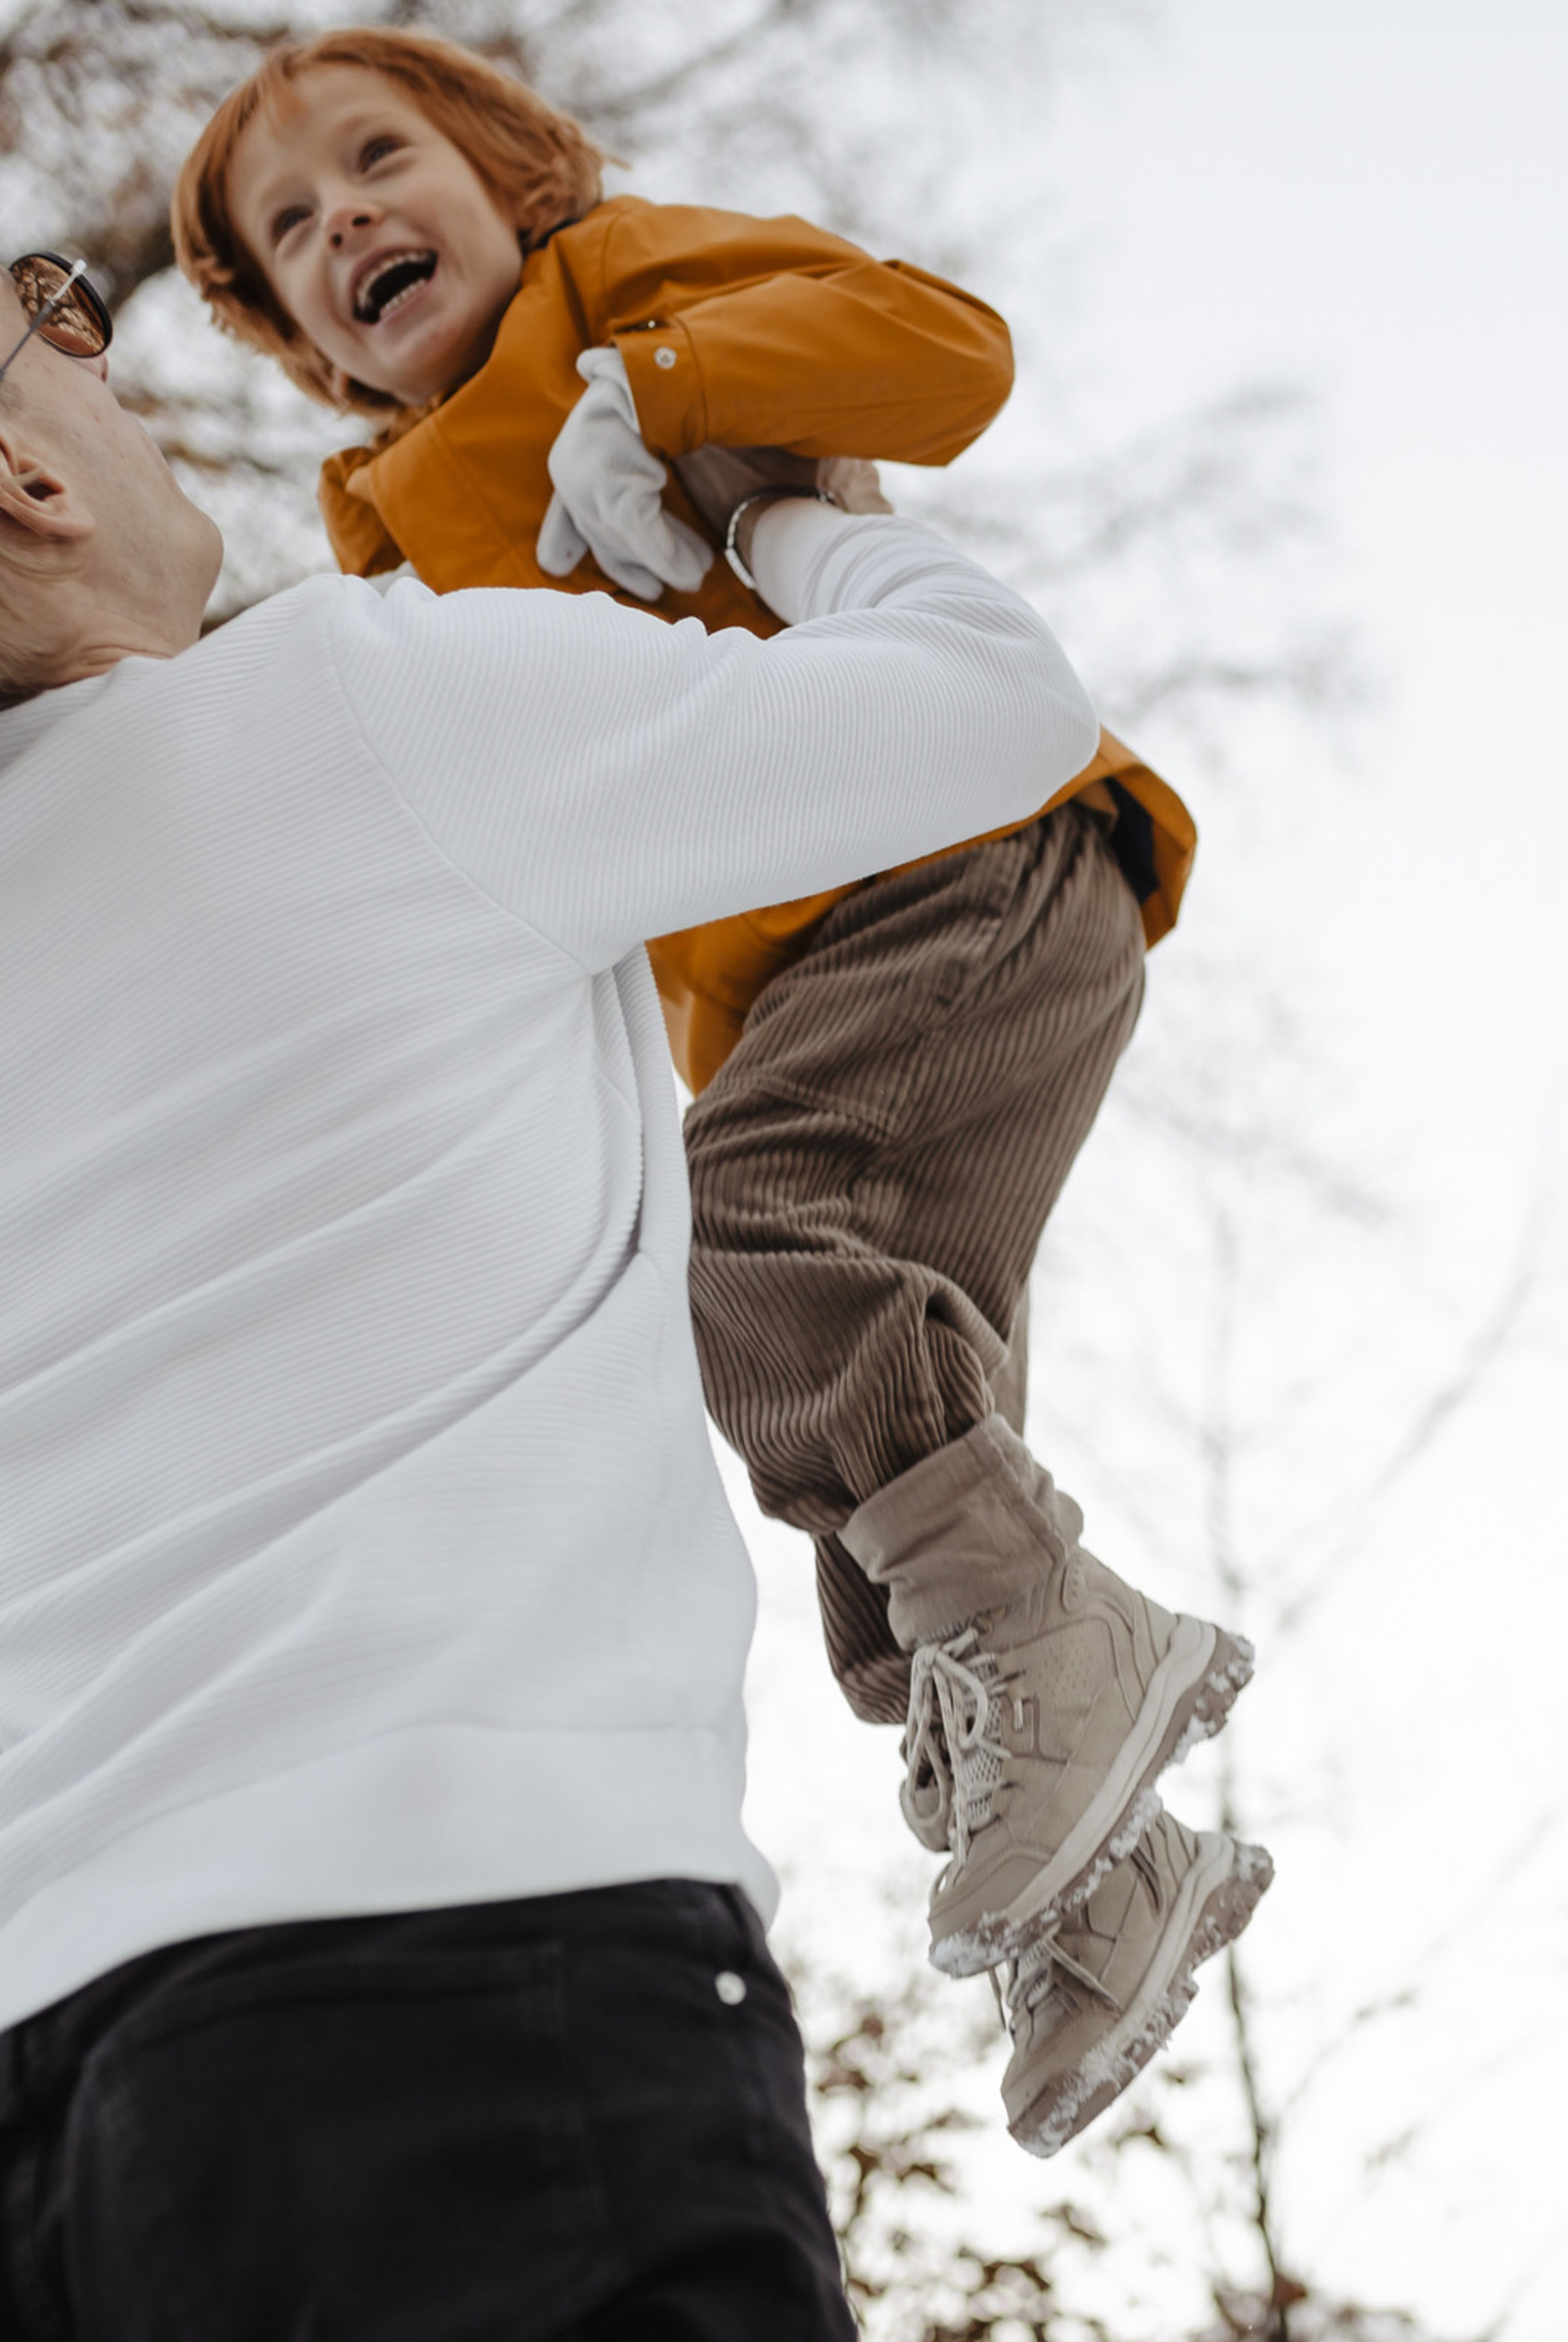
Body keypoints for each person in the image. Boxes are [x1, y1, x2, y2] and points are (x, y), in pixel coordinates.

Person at [0, 246, 1092, 2342]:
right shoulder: (340, 707)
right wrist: (768, 513)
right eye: (51, 311)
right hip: (449, 1992)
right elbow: (989, 707)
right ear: (22, 473)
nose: (97, 352)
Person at [170, 28, 1271, 2159]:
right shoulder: (375, 530)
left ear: (512, 174)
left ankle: (1068, 1642)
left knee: (760, 1235)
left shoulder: (627, 289)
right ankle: (1107, 1863)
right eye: (288, 231)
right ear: (288, 330)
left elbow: (943, 354)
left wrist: (667, 397)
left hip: (960, 860)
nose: (346, 225)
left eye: (379, 161)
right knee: (843, 1442)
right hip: (803, 997)